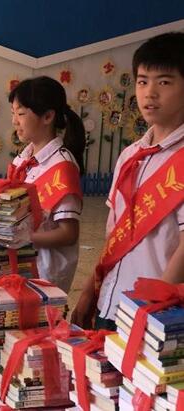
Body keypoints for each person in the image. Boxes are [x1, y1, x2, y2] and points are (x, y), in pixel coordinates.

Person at [72, 32, 184, 330]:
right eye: (142, 81)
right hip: (110, 301)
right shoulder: (130, 155)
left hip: (153, 316)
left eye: (164, 82)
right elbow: (115, 233)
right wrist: (90, 288)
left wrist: (153, 313)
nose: (150, 93)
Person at [8, 76, 86, 293]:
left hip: (44, 272)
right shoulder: (23, 159)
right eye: (13, 113)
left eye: (21, 114)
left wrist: (23, 239)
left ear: (48, 116)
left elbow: (68, 233)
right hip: (21, 263)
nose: (14, 121)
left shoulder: (62, 165)